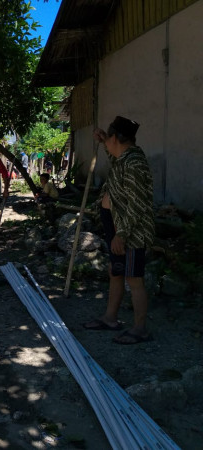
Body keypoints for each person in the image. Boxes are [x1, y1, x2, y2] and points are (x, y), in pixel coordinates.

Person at [83, 116, 155, 345]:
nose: (107, 143)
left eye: (109, 138)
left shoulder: (134, 164)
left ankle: (140, 329)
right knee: (116, 272)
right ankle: (110, 318)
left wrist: (122, 234)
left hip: (131, 232)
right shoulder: (124, 158)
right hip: (116, 225)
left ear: (116, 138)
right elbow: (115, 164)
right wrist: (104, 141)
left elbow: (138, 203)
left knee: (134, 278)